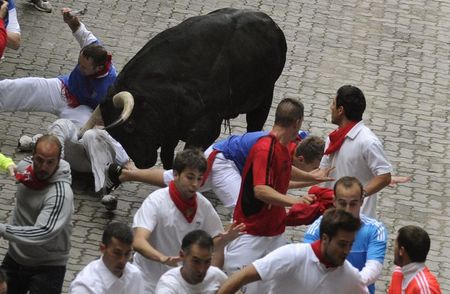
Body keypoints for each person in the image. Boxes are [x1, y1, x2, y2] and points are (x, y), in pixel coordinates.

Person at [222, 98, 319, 293]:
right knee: (233, 280)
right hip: (251, 231)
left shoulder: (281, 148)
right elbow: (261, 190)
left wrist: (313, 178)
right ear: (297, 122)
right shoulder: (265, 148)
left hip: (274, 232)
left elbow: (285, 173)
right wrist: (295, 201)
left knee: (279, 283)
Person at [107, 133, 329, 210]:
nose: (314, 170)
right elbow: (282, 179)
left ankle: (129, 173)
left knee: (171, 179)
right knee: (241, 207)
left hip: (227, 158)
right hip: (225, 161)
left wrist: (308, 181)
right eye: (312, 167)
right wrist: (310, 178)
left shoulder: (296, 144)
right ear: (300, 159)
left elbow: (279, 185)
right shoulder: (281, 155)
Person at [132, 148, 245, 293]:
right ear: (175, 174)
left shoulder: (203, 206)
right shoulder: (156, 201)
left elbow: (212, 244)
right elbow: (138, 241)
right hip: (147, 282)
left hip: (180, 283)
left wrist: (225, 239)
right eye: (190, 177)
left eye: (199, 178)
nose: (195, 184)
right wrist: (162, 258)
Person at [0, 8, 116, 127]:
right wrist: (70, 19)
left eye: (84, 67)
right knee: (25, 86)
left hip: (81, 110)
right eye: (79, 64)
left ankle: (47, 142)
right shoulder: (92, 46)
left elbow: (109, 117)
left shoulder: (111, 86)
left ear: (98, 68)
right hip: (64, 88)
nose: (79, 69)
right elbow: (78, 28)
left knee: (82, 135)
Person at [217, 208, 367, 294]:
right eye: (342, 244)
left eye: (350, 244)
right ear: (325, 238)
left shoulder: (351, 277)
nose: (347, 250)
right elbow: (241, 277)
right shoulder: (292, 256)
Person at [0, 134, 74, 294]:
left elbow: (42, 232)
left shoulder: (60, 194)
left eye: (50, 162)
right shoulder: (23, 169)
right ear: (32, 156)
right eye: (39, 160)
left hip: (48, 266)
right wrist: (6, 164)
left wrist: (3, 229)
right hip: (16, 258)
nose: (43, 167)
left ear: (58, 161)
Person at [304, 176, 387, 294]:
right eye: (342, 203)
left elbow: (373, 269)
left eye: (353, 204)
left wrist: (344, 286)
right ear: (334, 201)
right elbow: (309, 263)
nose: (347, 210)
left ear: (362, 201)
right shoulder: (317, 228)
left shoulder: (376, 230)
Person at [319, 85, 392, 218]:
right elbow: (321, 173)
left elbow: (384, 176)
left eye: (333, 104)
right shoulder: (333, 138)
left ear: (340, 110)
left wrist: (358, 196)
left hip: (357, 218)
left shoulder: (367, 142)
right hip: (331, 215)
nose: (331, 107)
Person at [70, 222, 145, 294]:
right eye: (117, 253)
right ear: (102, 248)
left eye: (127, 254)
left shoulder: (135, 275)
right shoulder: (85, 287)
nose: (122, 260)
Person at [155, 230, 228, 293]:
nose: (202, 269)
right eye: (196, 261)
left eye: (207, 261)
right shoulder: (168, 284)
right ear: (182, 255)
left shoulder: (216, 274)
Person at [388, 226, 441, 294]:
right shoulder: (398, 272)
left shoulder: (424, 288)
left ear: (401, 251)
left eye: (395, 244)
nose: (394, 249)